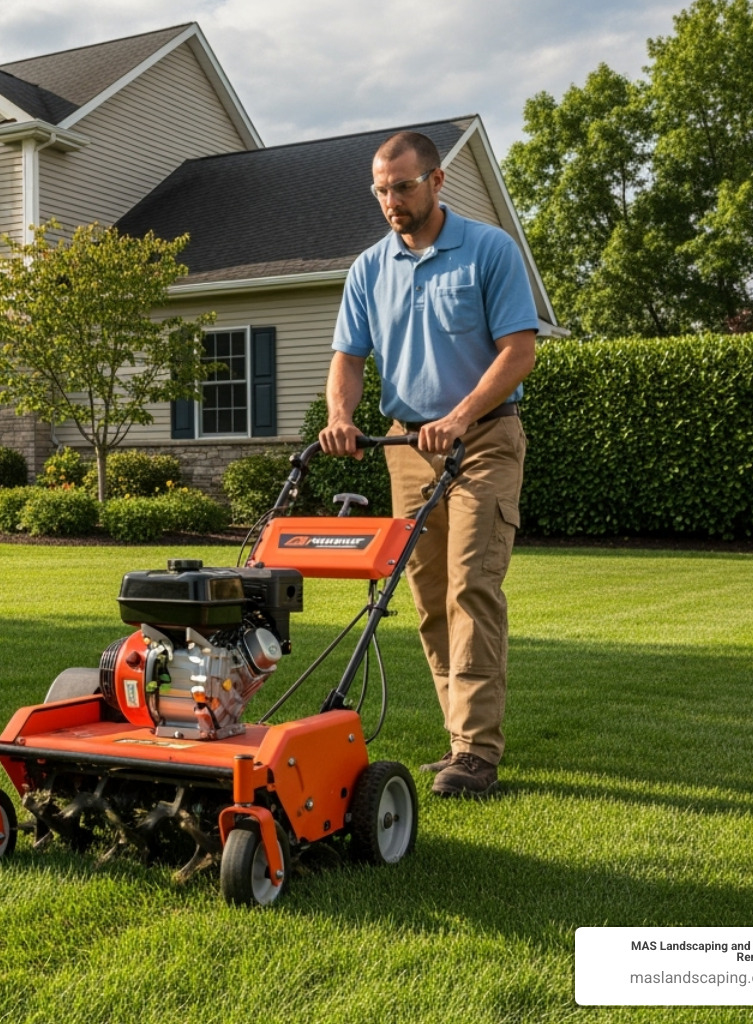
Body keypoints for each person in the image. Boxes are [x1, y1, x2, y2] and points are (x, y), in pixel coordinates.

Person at [319, 131, 539, 797]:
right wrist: (340, 417)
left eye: (404, 186)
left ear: (437, 182)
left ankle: (477, 752)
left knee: (472, 585)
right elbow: (349, 358)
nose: (392, 199)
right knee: (425, 599)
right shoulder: (368, 268)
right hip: (407, 450)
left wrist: (462, 415)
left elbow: (519, 351)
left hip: (485, 442)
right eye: (382, 189)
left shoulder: (488, 251)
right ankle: (459, 740)